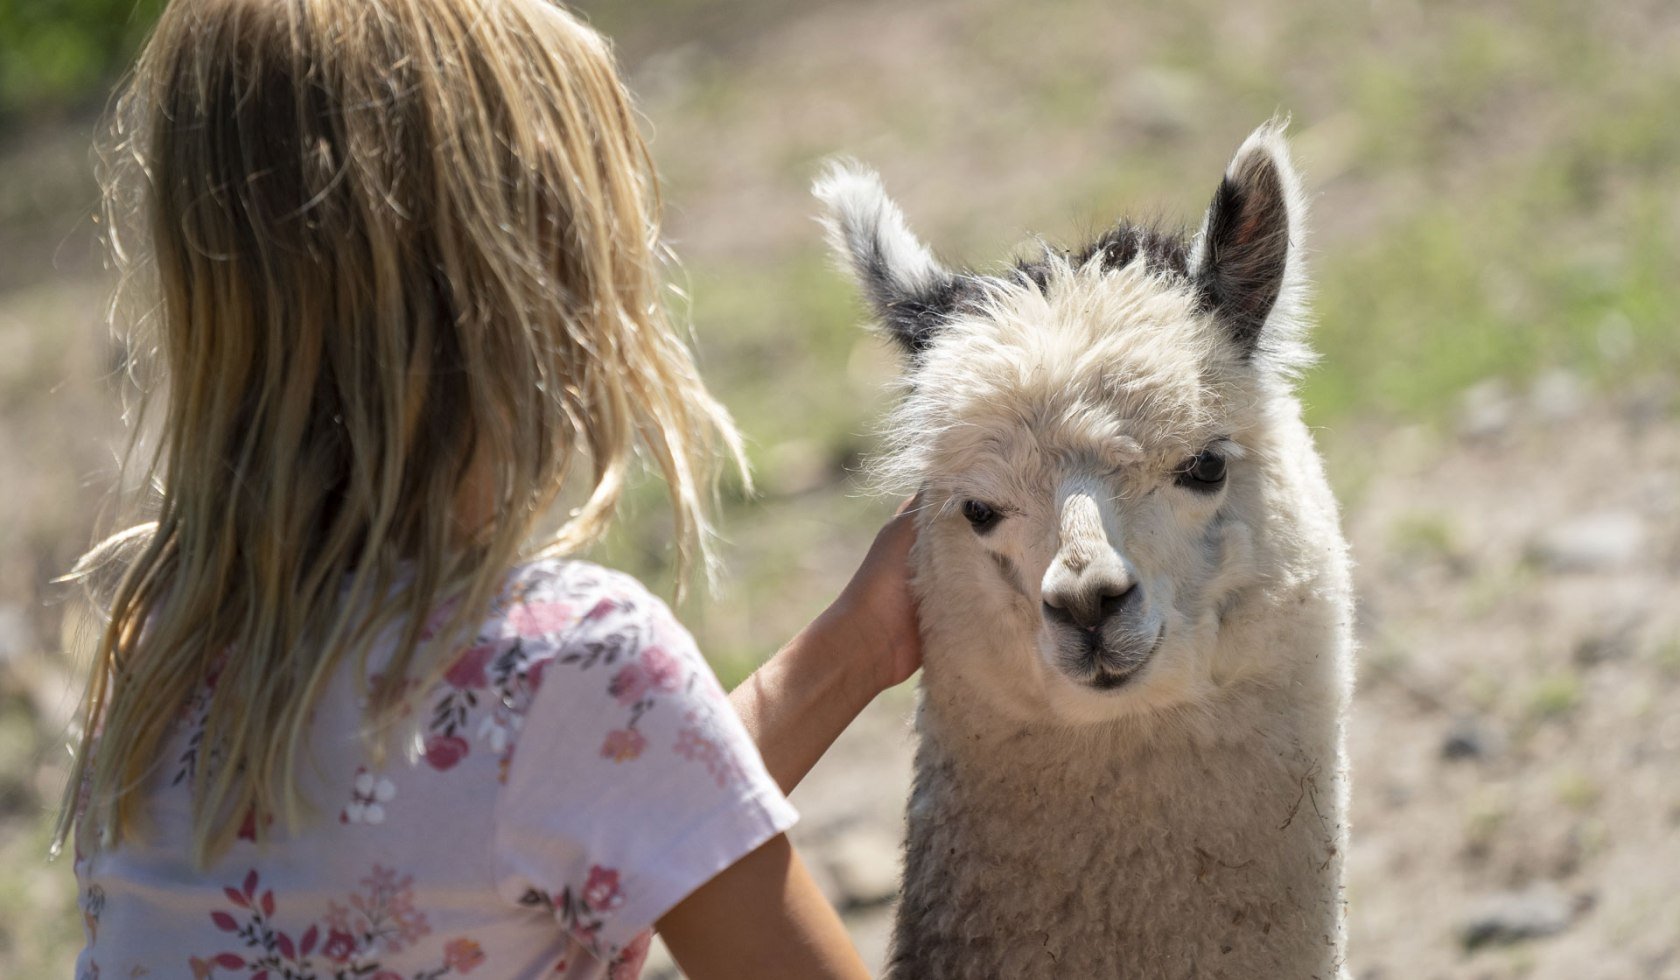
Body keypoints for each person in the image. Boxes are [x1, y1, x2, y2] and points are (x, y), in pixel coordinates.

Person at [54, 1, 920, 977]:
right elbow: (575, 765)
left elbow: (569, 802)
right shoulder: (578, 665)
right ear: (527, 281)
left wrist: (857, 647)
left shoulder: (162, 654)